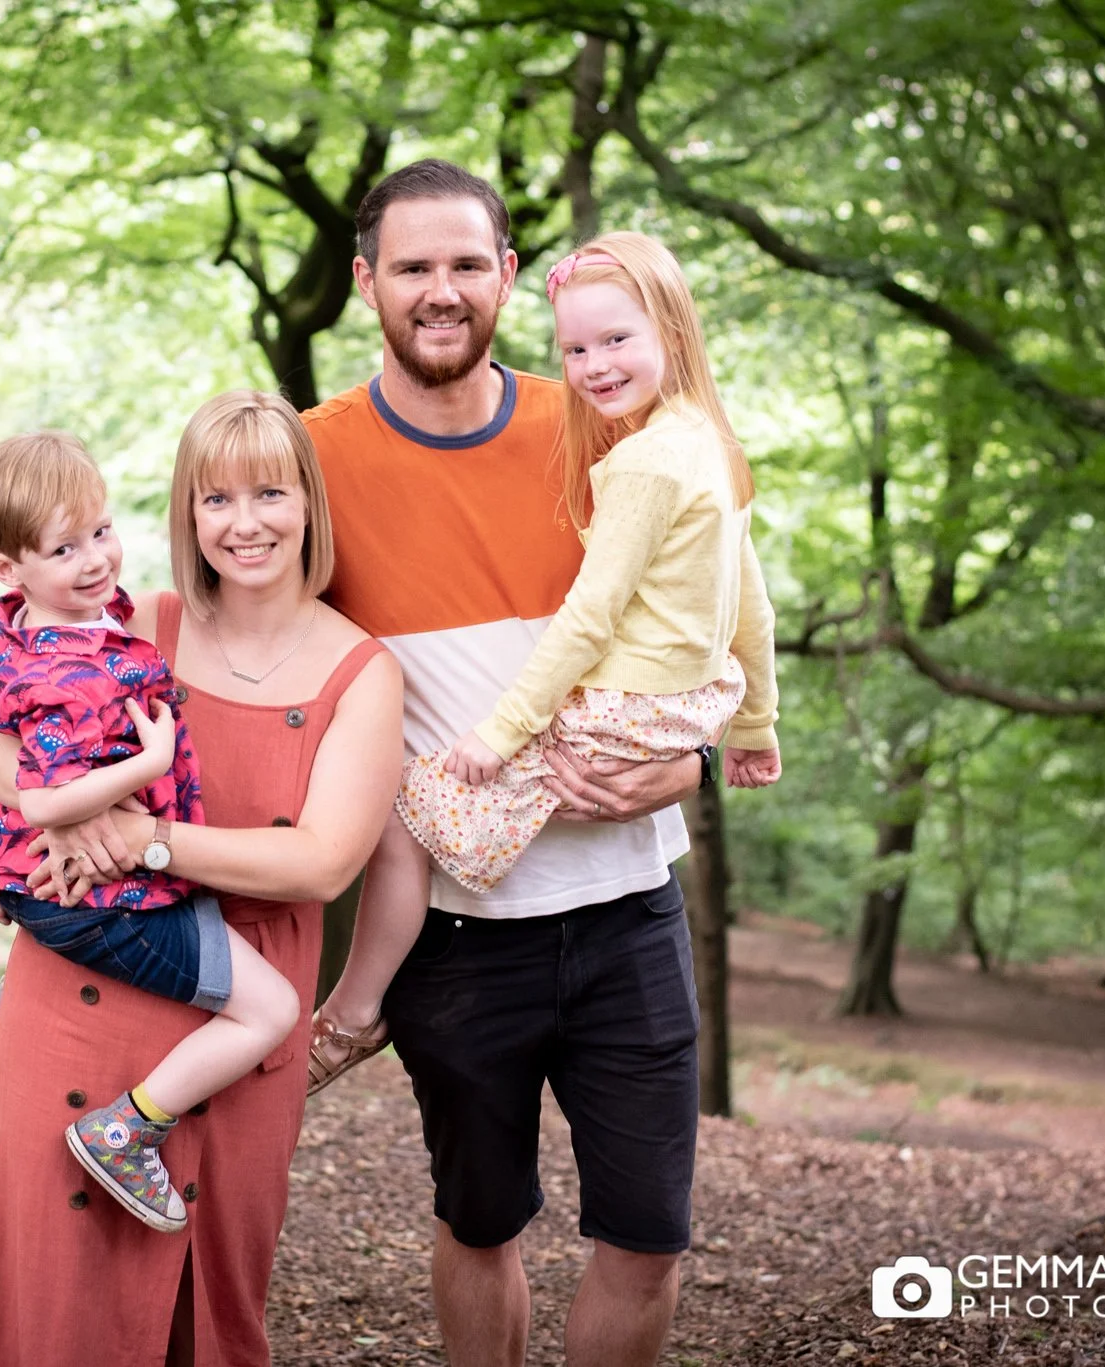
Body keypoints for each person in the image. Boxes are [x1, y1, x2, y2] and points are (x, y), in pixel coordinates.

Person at [302, 160, 781, 1367]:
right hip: (458, 934)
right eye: (412, 265)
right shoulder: (312, 461)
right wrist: (54, 798)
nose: (441, 289)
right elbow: (236, 647)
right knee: (477, 1224)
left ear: (507, 276)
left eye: (467, 263)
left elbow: (712, 603)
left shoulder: (604, 418)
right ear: (367, 283)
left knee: (647, 1238)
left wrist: (695, 763)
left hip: (627, 911)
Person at [0, 390, 402, 1366]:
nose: (243, 523)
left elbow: (322, 860)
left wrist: (141, 836)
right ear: (186, 513)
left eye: (269, 493)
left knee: (211, 1308)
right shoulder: (135, 623)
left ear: (308, 505)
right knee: (49, 1302)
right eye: (215, 499)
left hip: (236, 1018)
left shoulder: (362, 671)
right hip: (74, 1001)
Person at [312, 229, 781, 1091]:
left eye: (615, 340)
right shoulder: (706, 442)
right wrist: (751, 722)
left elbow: (593, 617)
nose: (595, 364)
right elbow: (746, 600)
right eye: (576, 348)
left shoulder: (623, 450)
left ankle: (348, 1017)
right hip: (666, 722)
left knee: (406, 812)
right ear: (367, 280)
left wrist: (504, 733)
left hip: (626, 814)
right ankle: (354, 1008)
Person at [0, 430, 301, 1234]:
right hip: (97, 902)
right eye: (65, 547)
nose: (96, 559)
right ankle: (127, 1129)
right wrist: (148, 765)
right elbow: (46, 800)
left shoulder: (33, 625)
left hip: (51, 882)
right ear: (8, 569)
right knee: (271, 1010)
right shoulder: (65, 673)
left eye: (101, 531)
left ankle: (27, 976)